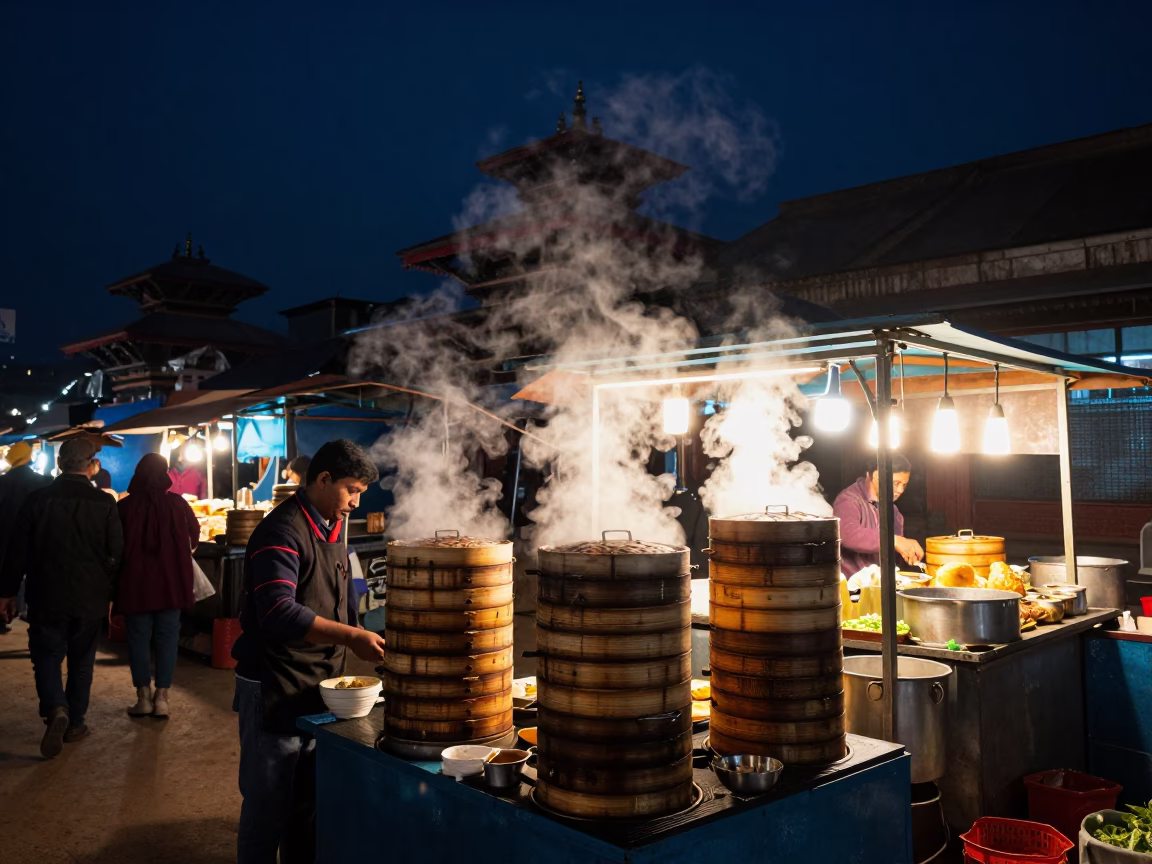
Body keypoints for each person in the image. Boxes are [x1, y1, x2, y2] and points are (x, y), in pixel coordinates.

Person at [231, 439, 385, 864]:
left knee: (307, 806)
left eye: (360, 494)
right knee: (268, 805)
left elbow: (347, 583)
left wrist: (364, 622)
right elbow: (278, 612)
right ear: (322, 480)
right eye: (351, 490)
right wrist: (351, 638)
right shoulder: (280, 531)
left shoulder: (336, 525)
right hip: (273, 683)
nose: (354, 502)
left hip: (320, 685)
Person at [0, 438, 123, 758]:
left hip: (46, 594)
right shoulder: (105, 502)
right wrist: (110, 593)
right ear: (89, 465)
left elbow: (17, 551)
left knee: (46, 656)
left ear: (59, 464)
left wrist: (8, 592)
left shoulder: (37, 499)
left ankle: (56, 707)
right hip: (90, 596)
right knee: (82, 662)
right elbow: (116, 554)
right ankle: (75, 722)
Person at [117, 453, 201, 719]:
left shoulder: (125, 507)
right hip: (171, 584)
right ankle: (162, 697)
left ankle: (143, 697)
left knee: (138, 640)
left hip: (136, 584)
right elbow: (195, 534)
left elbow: (114, 546)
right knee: (168, 639)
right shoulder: (177, 504)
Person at [832, 453, 924, 575]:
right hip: (852, 588)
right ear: (875, 476)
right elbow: (847, 534)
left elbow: (894, 549)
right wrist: (893, 541)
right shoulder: (849, 500)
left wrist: (907, 550)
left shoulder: (893, 510)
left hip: (880, 585)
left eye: (904, 484)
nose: (901, 490)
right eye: (896, 483)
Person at [0, 442, 51, 630]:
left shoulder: (3, 482)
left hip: (6, 538)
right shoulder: (45, 482)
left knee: (7, 574)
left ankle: (5, 613)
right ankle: (29, 611)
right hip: (39, 539)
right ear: (29, 457)